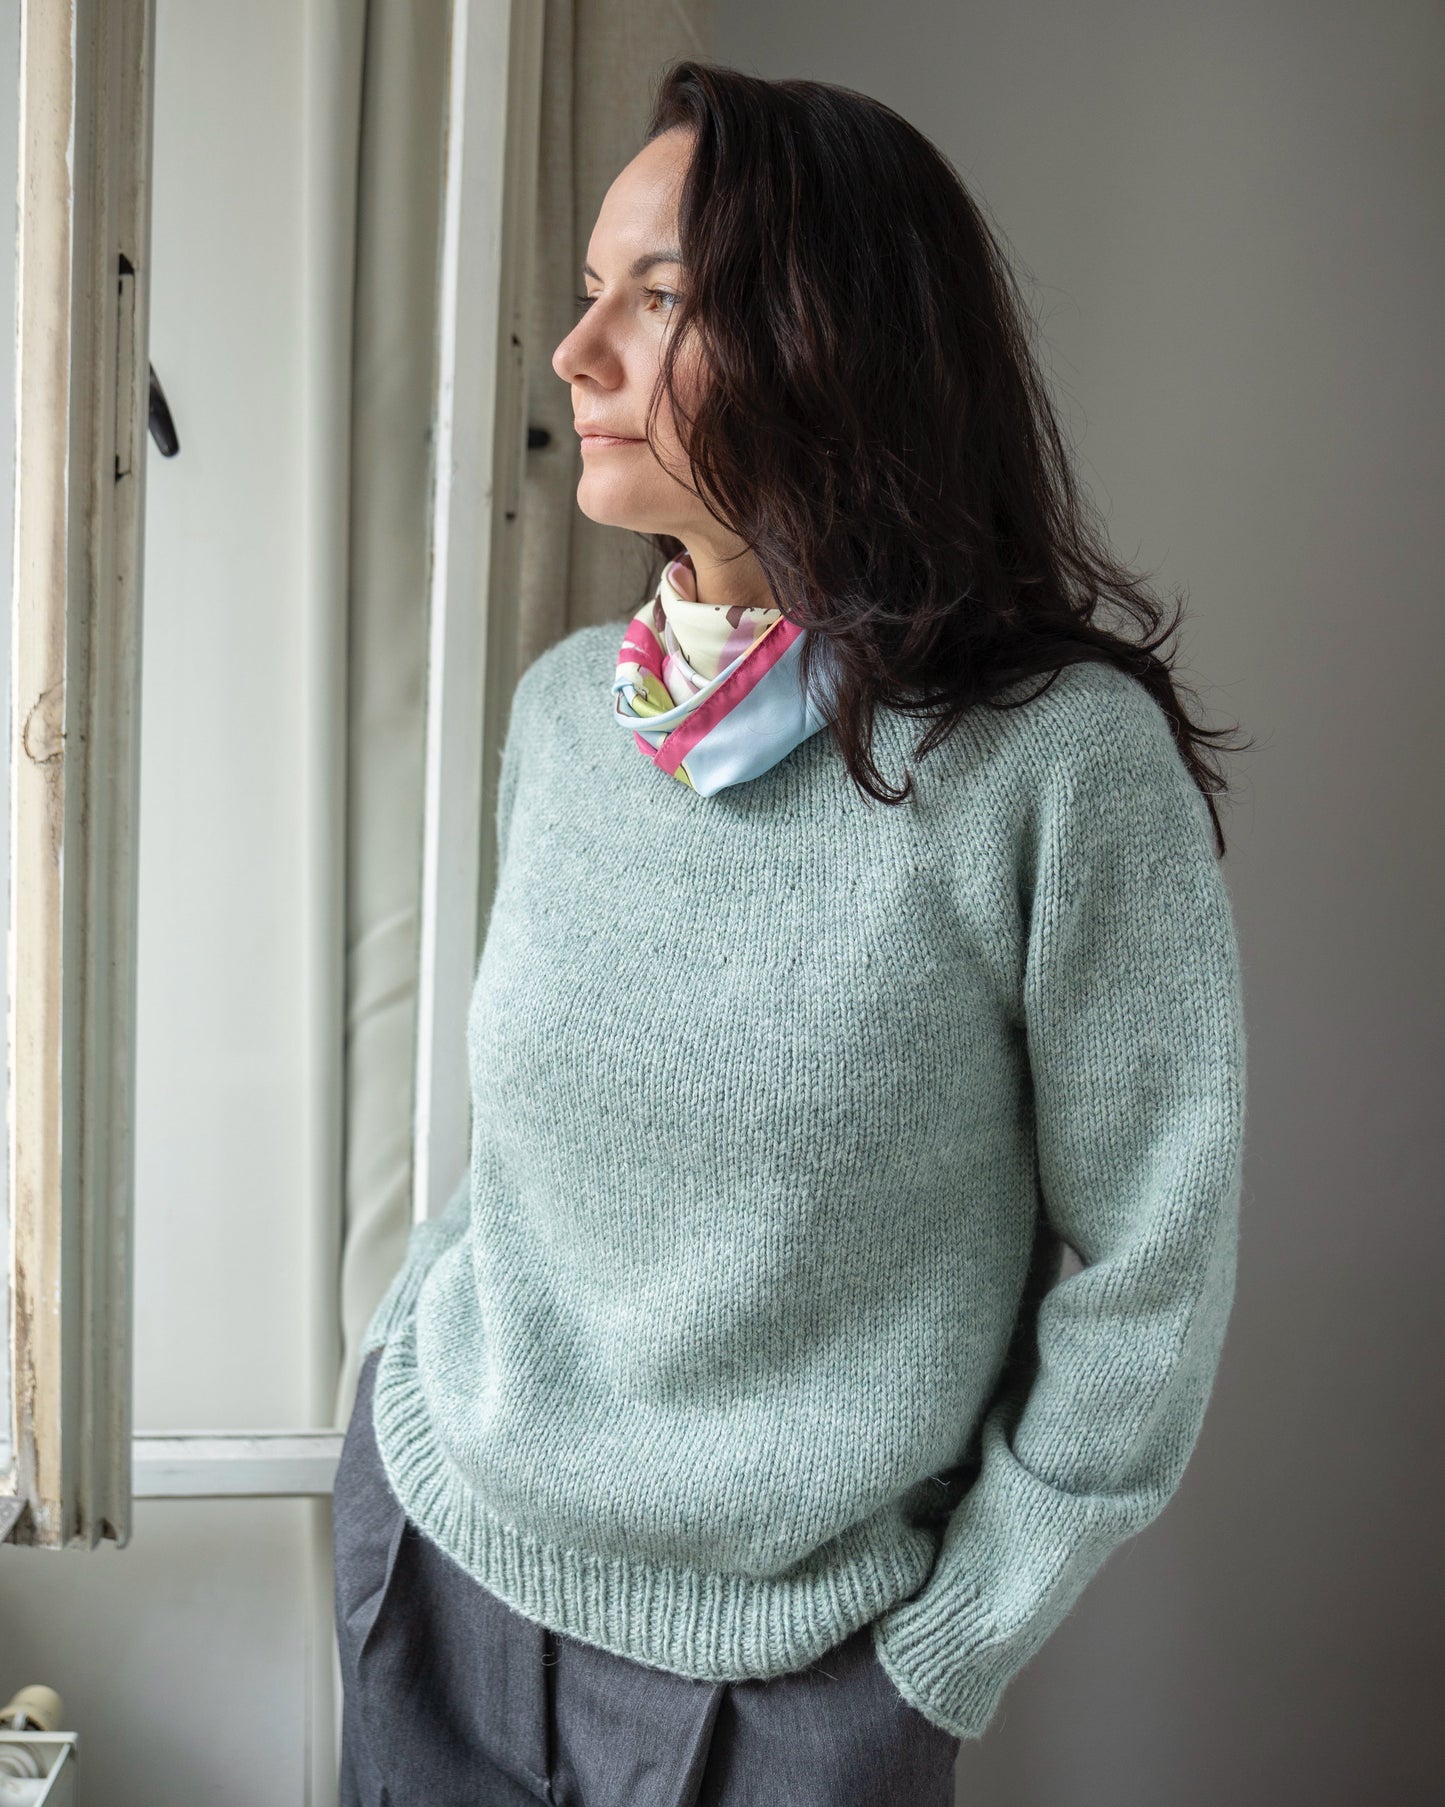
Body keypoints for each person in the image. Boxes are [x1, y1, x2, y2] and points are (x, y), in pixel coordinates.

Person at [332, 59, 1248, 1807]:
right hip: (437, 1566)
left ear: (831, 335)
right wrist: (399, 1358)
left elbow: (1153, 1264)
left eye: (656, 296)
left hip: (789, 1686)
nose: (574, 350)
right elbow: (525, 1154)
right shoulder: (567, 718)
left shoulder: (1052, 769)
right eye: (583, 293)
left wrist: (953, 1640)